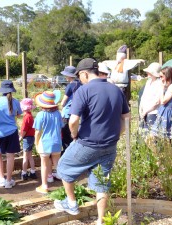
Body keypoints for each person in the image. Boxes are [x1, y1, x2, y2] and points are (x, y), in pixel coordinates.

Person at [54, 58, 130, 225]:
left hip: (88, 143)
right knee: (101, 183)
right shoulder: (116, 90)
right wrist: (118, 134)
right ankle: (101, 221)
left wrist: (74, 135)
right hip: (110, 145)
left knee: (63, 167)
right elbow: (126, 118)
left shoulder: (84, 90)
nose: (79, 79)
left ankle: (71, 203)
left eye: (79, 76)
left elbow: (73, 121)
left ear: (84, 74)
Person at [0, 80, 22, 189]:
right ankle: (8, 180)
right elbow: (18, 114)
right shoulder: (15, 101)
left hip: (0, 133)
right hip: (12, 131)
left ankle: (1, 178)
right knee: (10, 155)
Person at [34, 91, 64, 194]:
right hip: (57, 141)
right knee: (58, 164)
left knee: (44, 164)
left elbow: (37, 132)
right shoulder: (57, 114)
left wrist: (36, 143)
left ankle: (44, 185)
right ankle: (65, 185)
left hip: (45, 142)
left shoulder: (40, 115)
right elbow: (60, 128)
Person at [151, 66, 172, 141]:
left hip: (167, 112)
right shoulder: (168, 86)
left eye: (161, 76)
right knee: (156, 135)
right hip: (163, 110)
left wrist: (161, 88)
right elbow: (161, 101)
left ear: (167, 75)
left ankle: (165, 151)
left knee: (164, 137)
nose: (160, 79)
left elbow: (163, 101)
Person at [60, 66, 82, 153]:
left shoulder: (70, 86)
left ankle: (66, 153)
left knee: (65, 135)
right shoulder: (80, 84)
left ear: (69, 76)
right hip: (76, 113)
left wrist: (61, 105)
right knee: (73, 134)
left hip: (66, 114)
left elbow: (63, 102)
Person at [139, 62, 162, 130]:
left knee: (151, 136)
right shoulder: (148, 82)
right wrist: (141, 109)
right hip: (144, 112)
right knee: (144, 134)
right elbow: (144, 96)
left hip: (153, 113)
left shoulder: (159, 83)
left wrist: (146, 111)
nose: (148, 73)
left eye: (150, 72)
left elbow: (157, 101)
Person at [19, 98, 37, 181]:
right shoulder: (30, 116)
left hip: (27, 138)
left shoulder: (26, 117)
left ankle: (24, 173)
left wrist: (20, 137)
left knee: (25, 157)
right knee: (30, 156)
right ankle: (33, 171)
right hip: (31, 137)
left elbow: (24, 130)